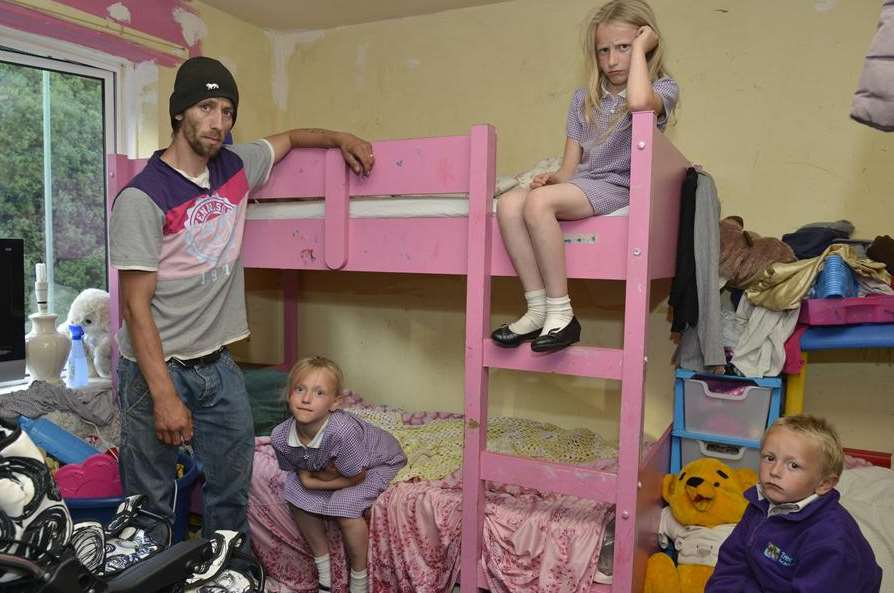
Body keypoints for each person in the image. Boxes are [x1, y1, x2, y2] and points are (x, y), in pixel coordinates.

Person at [109, 57, 375, 554]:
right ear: (179, 113)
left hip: (217, 363)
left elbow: (293, 137)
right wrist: (165, 395)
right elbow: (135, 307)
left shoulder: (235, 165)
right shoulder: (143, 198)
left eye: (228, 111)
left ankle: (226, 573)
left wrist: (341, 137)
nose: (218, 122)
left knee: (231, 490)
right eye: (206, 107)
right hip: (153, 370)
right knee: (150, 504)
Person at [491, 0, 678, 352]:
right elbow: (570, 165)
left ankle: (562, 313)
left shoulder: (663, 89)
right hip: (584, 183)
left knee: (538, 204)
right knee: (510, 203)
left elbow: (639, 104)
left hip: (620, 185)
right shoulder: (583, 99)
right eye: (603, 50)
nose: (612, 60)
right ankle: (537, 307)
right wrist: (555, 179)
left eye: (624, 47)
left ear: (645, 44)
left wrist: (640, 49)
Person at [269, 356, 406, 593]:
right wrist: (309, 481)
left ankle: (359, 582)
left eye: (319, 392)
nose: (306, 398)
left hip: (376, 463)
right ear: (289, 394)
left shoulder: (342, 432)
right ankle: (324, 575)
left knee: (344, 505)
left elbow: (356, 477)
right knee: (293, 492)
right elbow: (299, 471)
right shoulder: (280, 436)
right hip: (332, 470)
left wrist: (315, 482)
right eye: (300, 389)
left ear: (335, 403)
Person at [706, 415, 882, 593]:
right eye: (769, 458)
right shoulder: (761, 502)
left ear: (824, 484)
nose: (774, 471)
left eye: (793, 466)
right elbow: (734, 559)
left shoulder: (831, 540)